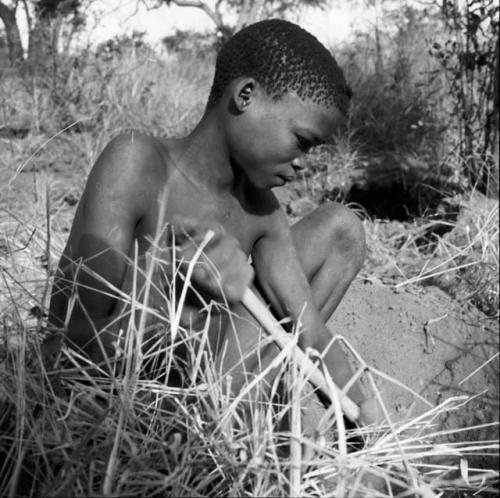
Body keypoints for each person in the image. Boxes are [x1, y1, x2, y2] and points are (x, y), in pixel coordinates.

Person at [44, 19, 377, 425]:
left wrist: (374, 427)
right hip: (108, 403)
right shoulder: (136, 163)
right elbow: (76, 349)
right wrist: (173, 276)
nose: (302, 163)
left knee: (341, 230)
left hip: (205, 400)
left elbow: (312, 333)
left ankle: (246, 420)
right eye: (301, 141)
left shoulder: (263, 211)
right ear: (246, 96)